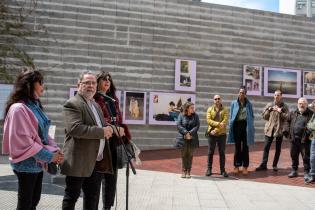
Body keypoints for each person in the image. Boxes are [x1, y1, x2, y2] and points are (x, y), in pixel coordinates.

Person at [2, 69, 64, 210]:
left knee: (33, 201)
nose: (43, 87)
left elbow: (44, 133)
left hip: (37, 163)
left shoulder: (34, 105)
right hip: (26, 164)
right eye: (40, 82)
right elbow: (25, 143)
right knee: (26, 203)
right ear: (29, 85)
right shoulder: (19, 108)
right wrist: (50, 156)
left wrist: (56, 151)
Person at [60, 71, 114, 210]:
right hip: (79, 160)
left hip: (96, 161)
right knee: (72, 196)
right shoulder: (72, 103)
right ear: (79, 85)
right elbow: (75, 129)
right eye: (87, 83)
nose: (91, 86)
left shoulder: (95, 104)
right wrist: (102, 132)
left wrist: (109, 128)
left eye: (93, 83)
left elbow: (98, 125)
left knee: (92, 197)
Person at [94, 71, 131, 210]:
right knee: (97, 179)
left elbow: (118, 119)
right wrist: (112, 127)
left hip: (113, 143)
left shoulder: (112, 99)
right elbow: (98, 120)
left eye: (109, 79)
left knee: (111, 178)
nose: (107, 81)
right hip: (100, 143)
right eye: (104, 79)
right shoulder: (94, 99)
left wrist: (121, 129)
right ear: (98, 81)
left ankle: (107, 207)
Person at [256, 90, 289, 171]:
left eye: (278, 95)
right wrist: (269, 110)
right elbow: (264, 116)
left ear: (281, 96)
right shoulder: (269, 105)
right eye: (275, 95)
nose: (276, 96)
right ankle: (264, 165)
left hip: (279, 130)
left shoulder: (285, 106)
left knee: (278, 149)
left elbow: (288, 117)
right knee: (266, 147)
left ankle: (275, 165)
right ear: (273, 96)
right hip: (269, 129)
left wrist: (280, 112)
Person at [283, 98, 313, 180]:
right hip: (293, 139)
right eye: (300, 103)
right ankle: (294, 170)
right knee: (293, 155)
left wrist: (309, 134)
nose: (301, 105)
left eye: (303, 103)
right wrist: (286, 131)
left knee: (306, 157)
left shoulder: (311, 114)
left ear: (307, 104)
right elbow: (287, 121)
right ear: (297, 104)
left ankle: (306, 172)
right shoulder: (293, 113)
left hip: (305, 140)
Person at [228, 86, 255, 175]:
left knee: (246, 147)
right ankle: (236, 165)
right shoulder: (233, 103)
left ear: (245, 94)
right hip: (237, 125)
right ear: (238, 93)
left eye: (243, 93)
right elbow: (231, 115)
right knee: (237, 146)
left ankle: (245, 166)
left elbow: (252, 115)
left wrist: (250, 125)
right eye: (240, 92)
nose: (241, 94)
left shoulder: (249, 104)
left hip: (245, 125)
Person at [205, 95, 229, 177]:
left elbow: (225, 122)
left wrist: (216, 130)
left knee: (222, 153)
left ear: (221, 100)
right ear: (213, 100)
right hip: (211, 134)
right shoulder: (210, 109)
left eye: (219, 99)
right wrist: (218, 124)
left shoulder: (225, 110)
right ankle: (209, 169)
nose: (217, 100)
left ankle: (223, 170)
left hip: (222, 134)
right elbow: (208, 120)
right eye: (216, 99)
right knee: (210, 152)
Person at [175, 102, 200, 178]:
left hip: (192, 138)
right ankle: (183, 171)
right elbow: (179, 125)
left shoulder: (196, 116)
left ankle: (188, 171)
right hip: (183, 138)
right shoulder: (181, 115)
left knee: (190, 155)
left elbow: (197, 125)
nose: (193, 109)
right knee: (184, 155)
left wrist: (190, 133)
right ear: (187, 108)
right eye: (191, 108)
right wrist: (186, 133)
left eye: (193, 107)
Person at [305, 101, 315, 184]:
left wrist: (309, 125)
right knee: (312, 158)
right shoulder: (314, 114)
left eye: (313, 106)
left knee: (313, 157)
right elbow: (309, 124)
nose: (312, 108)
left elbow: (311, 125)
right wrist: (309, 125)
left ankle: (313, 175)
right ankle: (313, 175)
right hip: (313, 138)